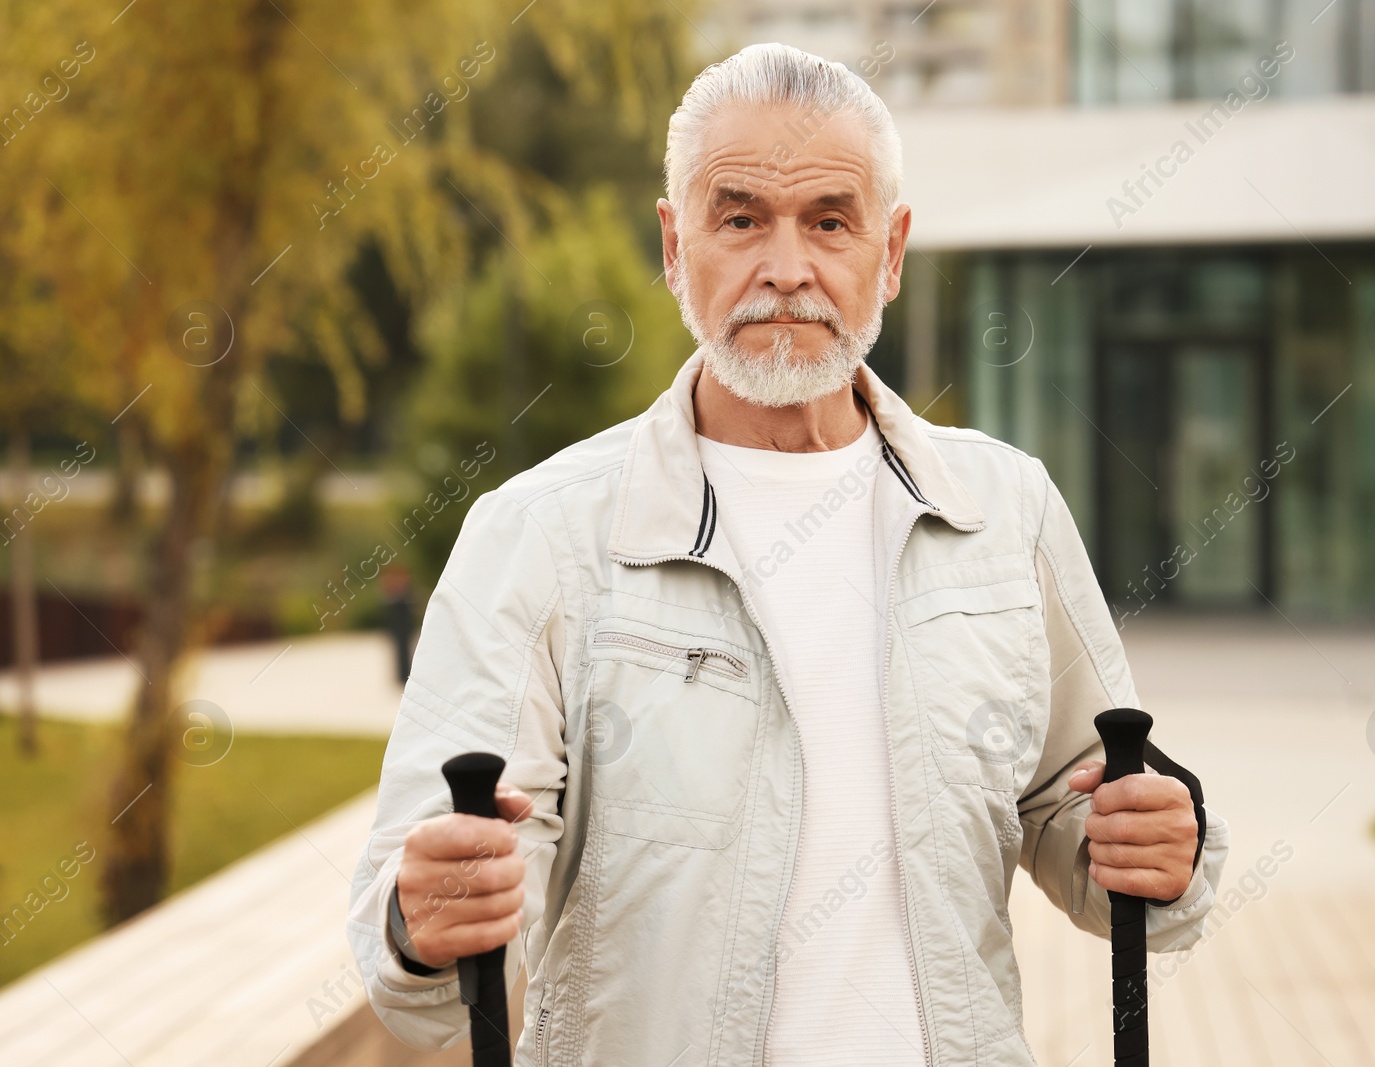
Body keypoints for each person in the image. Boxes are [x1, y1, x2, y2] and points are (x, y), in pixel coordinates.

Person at [347, 43, 1228, 1066]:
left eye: (827, 221)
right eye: (739, 218)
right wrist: (425, 920)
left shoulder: (1004, 508)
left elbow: (1081, 804)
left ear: (889, 253)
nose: (785, 267)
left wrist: (1160, 844)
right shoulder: (537, 537)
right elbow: (424, 957)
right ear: (676, 247)